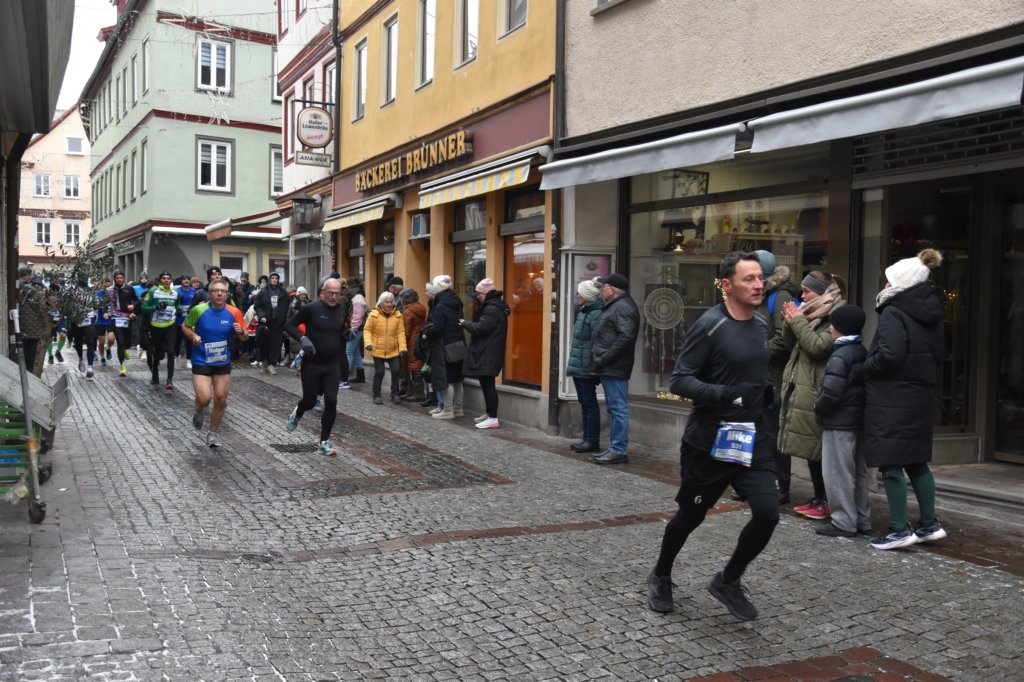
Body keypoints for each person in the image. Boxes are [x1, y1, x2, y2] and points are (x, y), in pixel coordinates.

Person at [648, 251, 778, 620]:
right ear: (726, 285)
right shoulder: (710, 324)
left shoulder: (761, 324)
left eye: (760, 278)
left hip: (753, 437)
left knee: (768, 513)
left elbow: (754, 372)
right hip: (709, 440)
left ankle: (728, 581)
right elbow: (680, 380)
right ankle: (661, 574)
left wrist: (766, 394)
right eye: (749, 279)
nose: (759, 285)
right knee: (691, 516)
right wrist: (727, 394)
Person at [864, 249, 947, 550]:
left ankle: (899, 529)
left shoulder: (895, 311)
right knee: (916, 460)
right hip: (920, 393)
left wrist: (866, 367)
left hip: (893, 396)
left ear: (899, 282)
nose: (884, 284)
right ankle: (929, 524)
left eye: (888, 279)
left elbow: (889, 354)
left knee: (891, 462)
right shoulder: (930, 311)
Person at [777, 272, 846, 520]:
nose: (802, 296)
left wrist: (797, 321)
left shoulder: (836, 313)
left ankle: (826, 499)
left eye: (807, 291)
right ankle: (819, 497)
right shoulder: (810, 312)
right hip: (803, 386)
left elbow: (818, 347)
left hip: (819, 388)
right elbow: (790, 344)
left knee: (819, 448)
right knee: (809, 447)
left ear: (822, 291)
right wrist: (790, 322)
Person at [812, 304, 870, 538]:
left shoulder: (840, 355)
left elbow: (831, 393)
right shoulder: (862, 351)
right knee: (857, 472)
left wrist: (817, 406)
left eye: (833, 324)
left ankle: (844, 521)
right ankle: (862, 519)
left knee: (837, 473)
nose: (830, 328)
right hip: (858, 420)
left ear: (840, 327)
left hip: (839, 422)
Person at [754, 250, 801, 503]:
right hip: (757, 375)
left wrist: (756, 353)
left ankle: (780, 485)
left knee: (773, 434)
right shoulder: (759, 293)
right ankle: (756, 482)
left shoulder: (780, 295)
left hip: (774, 377)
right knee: (757, 432)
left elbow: (784, 337)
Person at [284, 277, 349, 457]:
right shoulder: (311, 309)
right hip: (312, 363)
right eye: (331, 293)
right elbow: (289, 325)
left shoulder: (342, 309)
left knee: (332, 400)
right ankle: (298, 412)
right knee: (310, 401)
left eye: (337, 294)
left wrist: (346, 333)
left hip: (332, 364)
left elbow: (337, 332)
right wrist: (303, 338)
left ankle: (324, 442)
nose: (334, 297)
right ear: (323, 293)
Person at [182, 279, 247, 448]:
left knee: (221, 399)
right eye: (215, 291)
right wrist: (193, 336)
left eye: (222, 291)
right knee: (205, 398)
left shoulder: (234, 312)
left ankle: (212, 433)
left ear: (227, 294)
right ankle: (199, 408)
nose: (219, 294)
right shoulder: (199, 310)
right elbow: (185, 326)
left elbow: (245, 336)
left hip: (222, 361)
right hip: (201, 359)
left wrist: (241, 332)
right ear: (209, 294)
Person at [589, 273, 640, 464]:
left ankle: (618, 450)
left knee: (618, 409)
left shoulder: (622, 307)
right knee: (615, 408)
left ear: (612, 290)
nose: (601, 291)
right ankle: (615, 448)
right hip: (610, 366)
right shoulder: (615, 305)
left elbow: (626, 337)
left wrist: (605, 358)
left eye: (604, 288)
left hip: (615, 366)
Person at [461, 278, 511, 429]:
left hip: (489, 352)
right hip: (489, 351)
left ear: (485, 293)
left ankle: (493, 418)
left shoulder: (492, 309)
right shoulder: (493, 307)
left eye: (479, 294)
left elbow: (481, 328)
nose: (477, 297)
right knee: (486, 383)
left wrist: (465, 323)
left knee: (488, 385)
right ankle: (490, 413)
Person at [565, 277, 605, 453]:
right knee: (584, 402)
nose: (577, 296)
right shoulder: (584, 311)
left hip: (586, 365)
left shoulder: (595, 314)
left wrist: (594, 366)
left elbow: (598, 341)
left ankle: (592, 440)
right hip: (579, 364)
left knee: (589, 403)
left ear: (587, 296)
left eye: (580, 293)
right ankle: (586, 438)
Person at [427, 274, 465, 420]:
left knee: (446, 378)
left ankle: (448, 410)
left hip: (444, 346)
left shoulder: (440, 306)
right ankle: (459, 408)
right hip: (459, 344)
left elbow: (437, 329)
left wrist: (429, 332)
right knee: (457, 379)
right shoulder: (457, 302)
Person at [364, 291, 407, 404]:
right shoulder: (373, 315)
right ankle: (376, 395)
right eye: (387, 302)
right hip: (377, 349)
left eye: (391, 302)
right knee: (380, 372)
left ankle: (395, 394)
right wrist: (368, 343)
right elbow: (367, 330)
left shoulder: (398, 315)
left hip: (394, 349)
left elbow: (401, 332)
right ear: (381, 303)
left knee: (396, 371)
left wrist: (402, 347)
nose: (389, 304)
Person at [141, 271, 182, 389]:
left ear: (171, 280)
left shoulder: (175, 293)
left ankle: (169, 380)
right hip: (156, 326)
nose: (166, 280)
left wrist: (178, 310)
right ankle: (155, 374)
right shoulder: (153, 291)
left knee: (171, 352)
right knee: (157, 353)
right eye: (164, 278)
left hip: (170, 325)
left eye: (168, 278)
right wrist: (155, 307)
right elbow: (144, 307)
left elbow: (177, 305)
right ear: (160, 280)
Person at [15, 266, 52, 377]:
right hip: (34, 327)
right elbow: (42, 309)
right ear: (25, 275)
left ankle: (25, 371)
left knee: (24, 350)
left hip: (21, 325)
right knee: (32, 352)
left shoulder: (17, 289)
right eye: (29, 275)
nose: (30, 277)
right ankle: (30, 373)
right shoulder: (35, 291)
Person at [254, 272, 289, 375]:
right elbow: (257, 306)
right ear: (269, 280)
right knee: (265, 344)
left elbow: (287, 306)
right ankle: (265, 361)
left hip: (278, 323)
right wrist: (261, 316)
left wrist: (283, 318)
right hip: (266, 322)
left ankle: (272, 364)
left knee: (276, 344)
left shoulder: (283, 293)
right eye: (272, 278)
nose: (274, 280)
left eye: (276, 278)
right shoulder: (263, 292)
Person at [397, 289, 428, 402]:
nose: (401, 300)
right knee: (416, 365)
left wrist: (399, 342)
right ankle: (412, 391)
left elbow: (406, 331)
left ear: (406, 299)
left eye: (402, 298)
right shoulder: (421, 307)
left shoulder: (408, 311)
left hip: (411, 343)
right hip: (419, 341)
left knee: (414, 366)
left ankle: (418, 393)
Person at [106, 271, 138, 377]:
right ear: (114, 279)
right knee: (120, 342)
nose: (119, 279)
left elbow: (137, 301)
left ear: (124, 278)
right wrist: (106, 312)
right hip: (115, 318)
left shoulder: (129, 288)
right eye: (117, 278)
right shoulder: (109, 290)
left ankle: (126, 349)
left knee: (127, 342)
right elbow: (105, 303)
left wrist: (133, 310)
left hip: (127, 317)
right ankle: (122, 366)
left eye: (121, 278)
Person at [345, 278, 369, 386]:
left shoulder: (357, 297)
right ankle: (360, 376)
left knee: (349, 352)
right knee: (355, 352)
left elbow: (358, 315)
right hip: (358, 328)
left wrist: (353, 328)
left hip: (356, 328)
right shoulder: (358, 295)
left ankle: (344, 377)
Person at [174, 275, 196, 369]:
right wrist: (178, 305)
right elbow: (173, 303)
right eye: (184, 279)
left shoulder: (193, 291)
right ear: (181, 281)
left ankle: (188, 360)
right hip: (178, 320)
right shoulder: (176, 291)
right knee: (177, 341)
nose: (186, 280)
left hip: (189, 321)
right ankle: (176, 359)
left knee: (189, 341)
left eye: (188, 279)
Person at [94, 278, 113, 366]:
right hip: (100, 319)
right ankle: (102, 357)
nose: (107, 287)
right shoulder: (97, 293)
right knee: (101, 342)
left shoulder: (112, 292)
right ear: (102, 285)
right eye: (105, 285)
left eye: (108, 285)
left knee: (111, 339)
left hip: (110, 318)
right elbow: (95, 305)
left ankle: (108, 348)